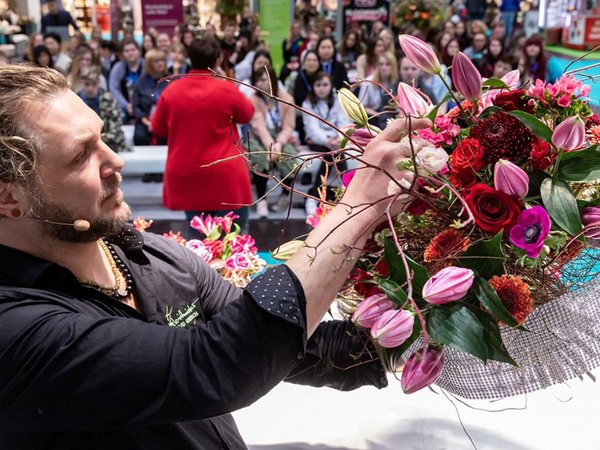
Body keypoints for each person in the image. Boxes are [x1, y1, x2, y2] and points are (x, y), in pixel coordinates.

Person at [0, 63, 428, 448]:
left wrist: (419, 335)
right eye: (81, 156)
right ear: (8, 197)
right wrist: (360, 209)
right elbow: (217, 363)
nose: (114, 160)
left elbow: (295, 344)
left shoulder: (149, 256)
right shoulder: (16, 325)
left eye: (102, 140)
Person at [152, 38, 255, 231]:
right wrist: (227, 81)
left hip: (190, 172)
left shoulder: (172, 90)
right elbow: (247, 113)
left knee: (199, 244)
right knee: (234, 241)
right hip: (226, 172)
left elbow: (158, 128)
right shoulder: (226, 89)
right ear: (217, 60)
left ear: (189, 59)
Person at [247, 65, 298, 218]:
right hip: (260, 137)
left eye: (263, 79)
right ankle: (262, 198)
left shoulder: (287, 98)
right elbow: (258, 125)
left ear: (272, 80)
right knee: (259, 157)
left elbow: (289, 126)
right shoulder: (253, 100)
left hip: (281, 137)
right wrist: (271, 147)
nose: (259, 84)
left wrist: (279, 144)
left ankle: (284, 195)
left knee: (291, 158)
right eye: (257, 80)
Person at [302, 71, 352, 214]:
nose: (322, 88)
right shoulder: (308, 103)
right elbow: (312, 129)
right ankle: (345, 191)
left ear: (331, 86)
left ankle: (313, 196)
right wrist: (327, 140)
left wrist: (338, 138)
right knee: (334, 152)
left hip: (336, 140)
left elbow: (344, 123)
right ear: (313, 87)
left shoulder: (337, 101)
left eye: (325, 85)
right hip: (318, 141)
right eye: (318, 85)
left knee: (332, 153)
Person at [78, 65, 130, 153]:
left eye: (94, 84)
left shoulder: (109, 99)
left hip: (107, 142)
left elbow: (116, 129)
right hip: (83, 141)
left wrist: (97, 139)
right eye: (87, 84)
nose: (90, 88)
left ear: (98, 82)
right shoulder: (76, 101)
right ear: (81, 81)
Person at [132, 49, 168, 145]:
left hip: (165, 120)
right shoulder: (140, 82)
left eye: (163, 60)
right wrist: (148, 123)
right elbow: (136, 107)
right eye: (156, 61)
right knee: (140, 137)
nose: (161, 63)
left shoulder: (170, 80)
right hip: (145, 119)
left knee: (164, 137)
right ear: (149, 64)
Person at [357, 51, 398, 129]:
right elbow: (361, 107)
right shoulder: (368, 82)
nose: (384, 67)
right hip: (372, 119)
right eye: (381, 64)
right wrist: (380, 115)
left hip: (390, 119)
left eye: (387, 64)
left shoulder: (395, 82)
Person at [108, 39, 144, 124]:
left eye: (133, 50)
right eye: (127, 51)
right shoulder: (117, 68)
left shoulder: (146, 65)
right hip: (123, 107)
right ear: (123, 54)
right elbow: (114, 89)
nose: (130, 53)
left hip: (143, 106)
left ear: (139, 51)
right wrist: (126, 105)